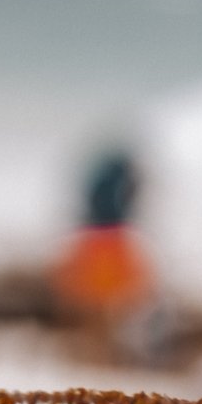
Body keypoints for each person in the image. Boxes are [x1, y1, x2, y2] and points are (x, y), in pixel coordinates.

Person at [51, 142, 159, 361]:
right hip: (108, 238)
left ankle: (99, 349)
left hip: (99, 236)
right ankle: (104, 350)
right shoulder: (116, 181)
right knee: (104, 301)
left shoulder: (105, 182)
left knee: (97, 301)